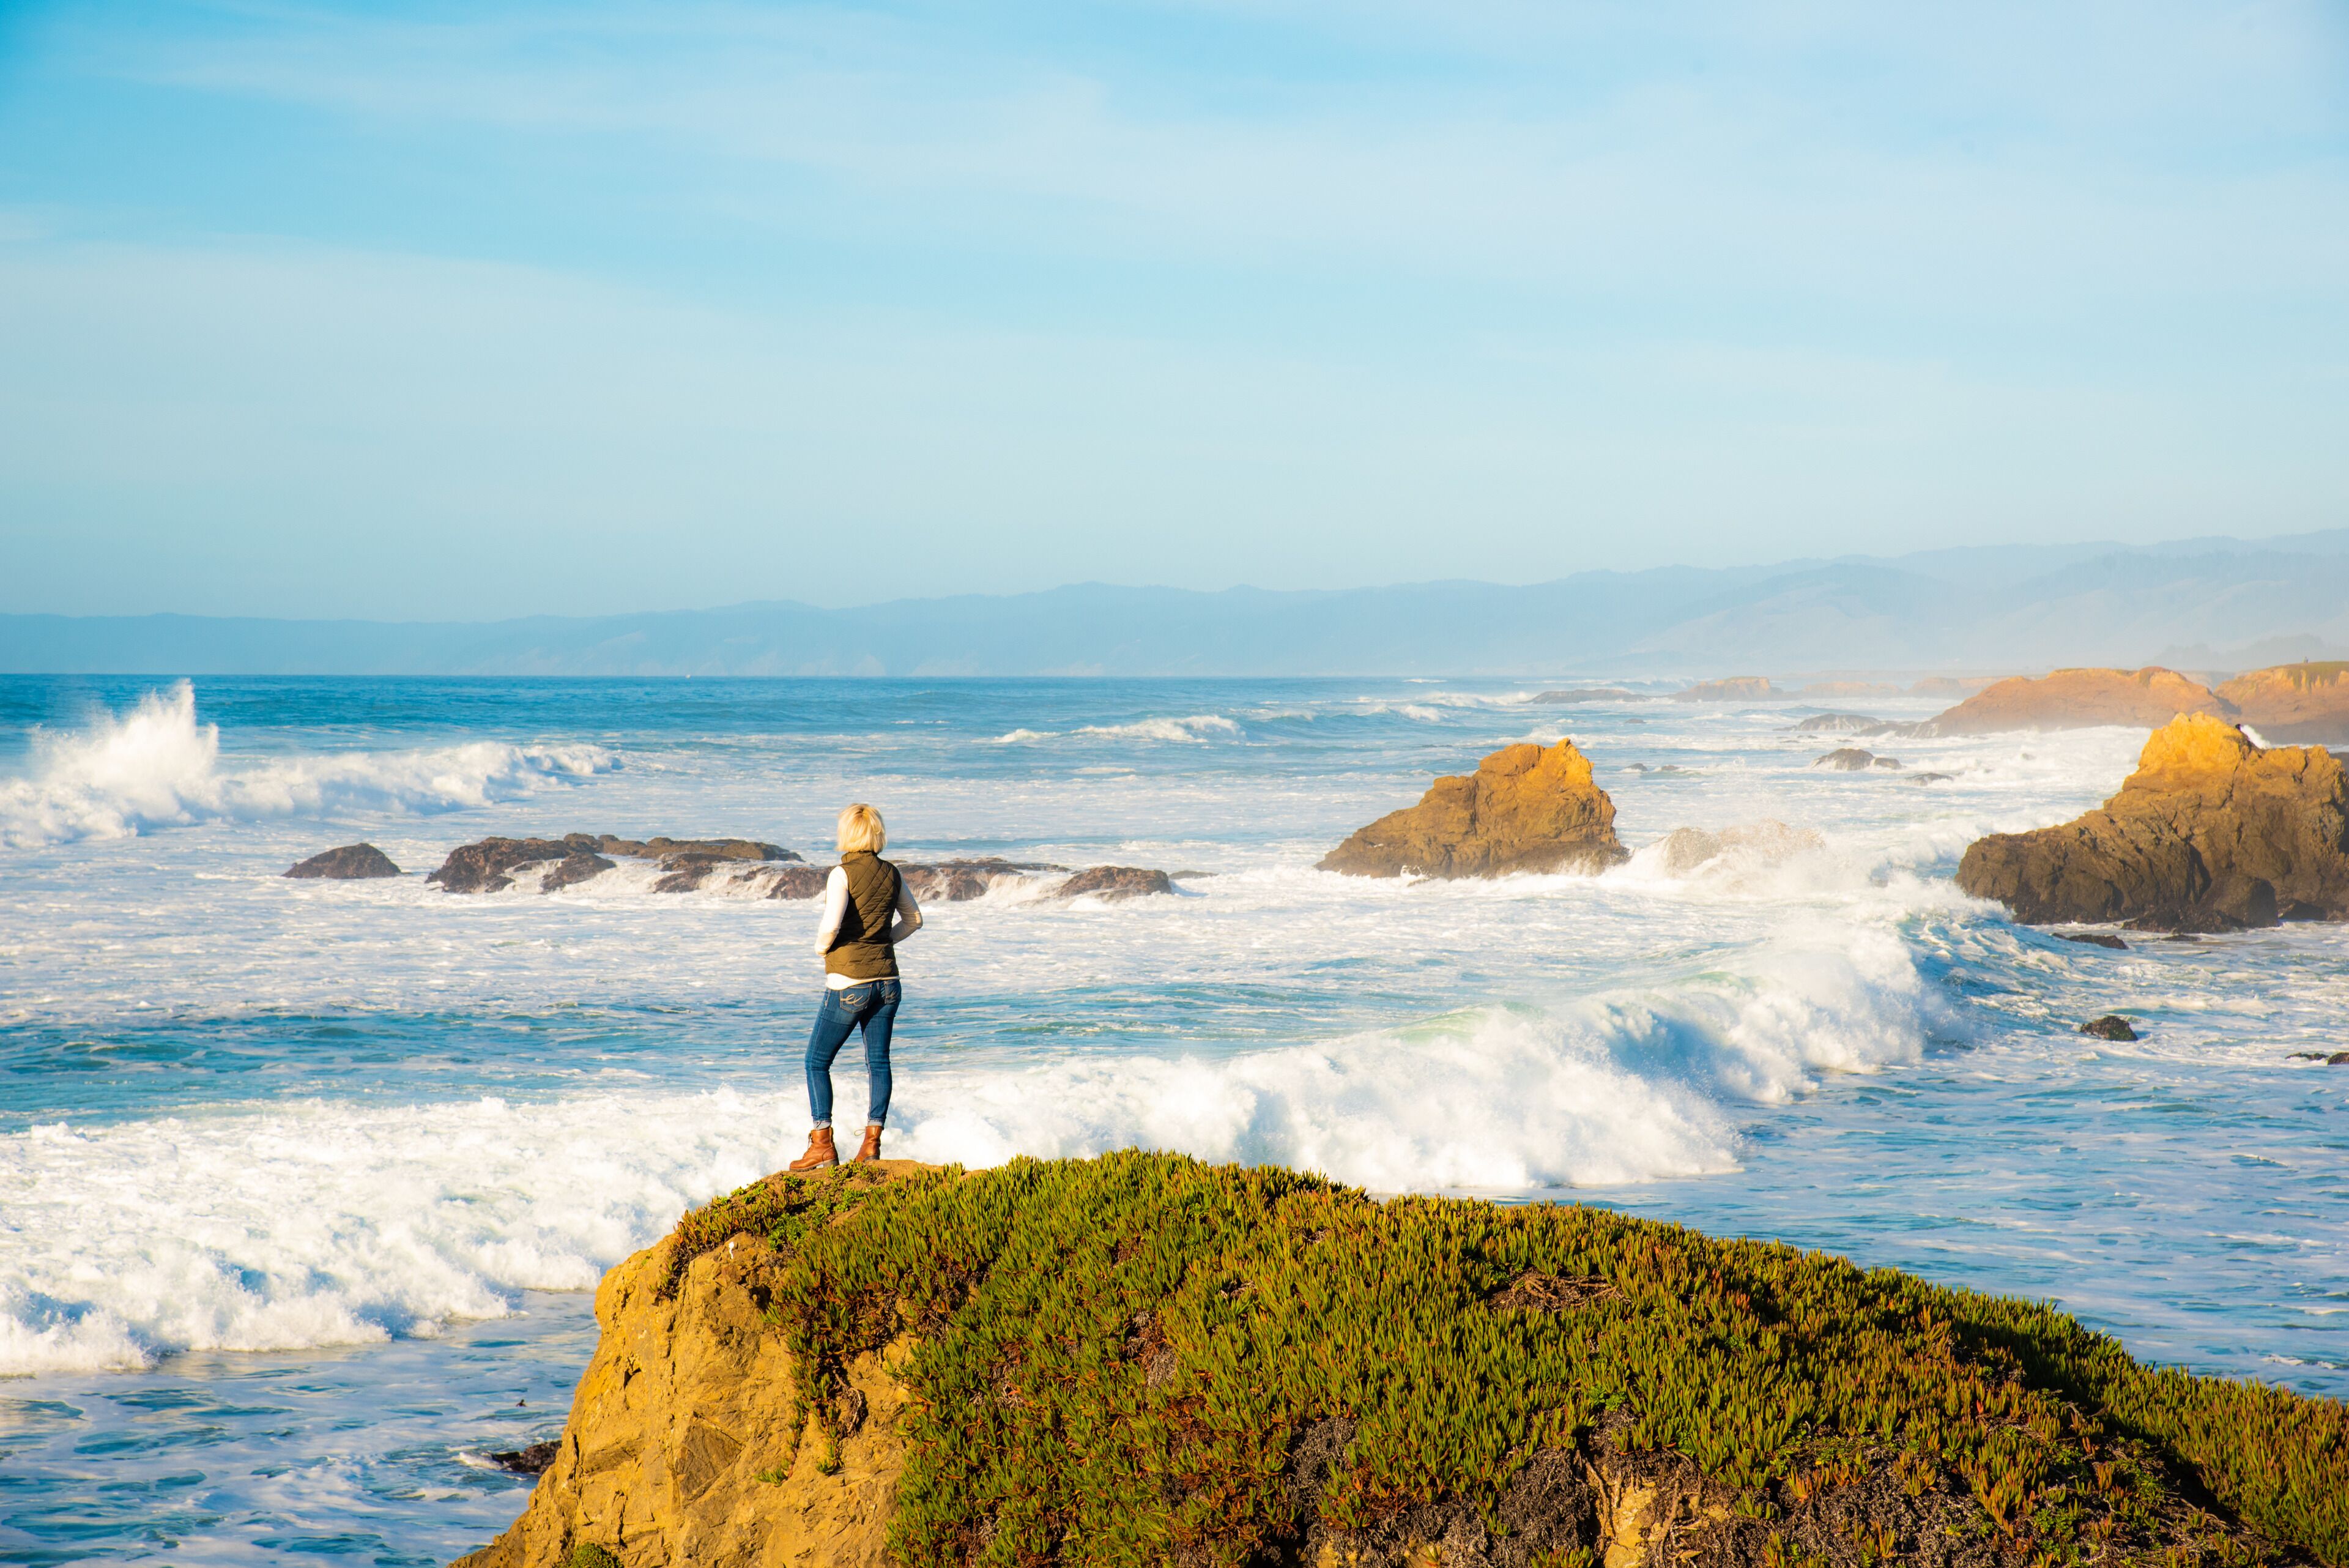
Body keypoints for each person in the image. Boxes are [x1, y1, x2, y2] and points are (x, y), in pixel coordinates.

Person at [790, 803, 922, 1170]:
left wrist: (820, 949)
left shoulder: (841, 873)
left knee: (816, 1061)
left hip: (850, 983)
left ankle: (822, 1144)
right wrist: (884, 943)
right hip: (889, 983)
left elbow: (831, 926)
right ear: (876, 833)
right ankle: (871, 1143)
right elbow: (914, 920)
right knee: (878, 1062)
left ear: (846, 833)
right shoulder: (892, 873)